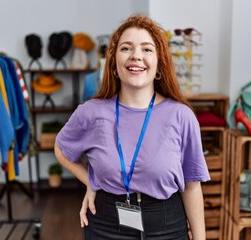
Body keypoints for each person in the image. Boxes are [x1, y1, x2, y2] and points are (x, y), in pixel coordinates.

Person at [54, 14, 210, 240]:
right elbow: (61, 148)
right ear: (114, 63)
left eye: (147, 49)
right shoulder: (91, 112)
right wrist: (91, 180)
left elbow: (193, 187)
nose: (136, 56)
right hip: (105, 224)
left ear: (158, 65)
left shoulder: (181, 116)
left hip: (167, 226)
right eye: (126, 48)